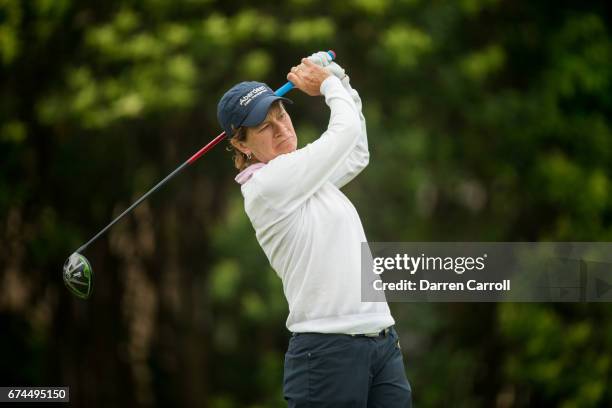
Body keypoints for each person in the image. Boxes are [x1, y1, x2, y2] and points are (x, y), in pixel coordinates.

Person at [217, 52, 412, 407]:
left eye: (282, 114)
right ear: (242, 145)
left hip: (381, 339)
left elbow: (356, 153)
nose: (281, 128)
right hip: (327, 352)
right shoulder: (268, 186)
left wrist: (341, 81)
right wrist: (327, 84)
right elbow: (345, 131)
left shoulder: (304, 177)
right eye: (265, 127)